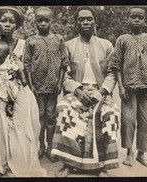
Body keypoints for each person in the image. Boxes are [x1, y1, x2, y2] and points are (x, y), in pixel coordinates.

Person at [0, 6, 46, 177]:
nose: (7, 25)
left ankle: (20, 155)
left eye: (11, 21)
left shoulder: (24, 45)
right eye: (3, 21)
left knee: (23, 111)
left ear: (17, 25)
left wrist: (19, 74)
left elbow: (28, 70)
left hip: (18, 88)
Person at [51, 7, 119, 177]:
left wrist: (101, 92)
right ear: (77, 23)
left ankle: (101, 166)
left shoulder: (106, 45)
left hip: (100, 92)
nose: (85, 22)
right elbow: (65, 76)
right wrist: (78, 91)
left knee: (110, 113)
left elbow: (112, 74)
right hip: (77, 92)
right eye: (81, 19)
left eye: (89, 19)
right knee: (64, 109)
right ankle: (68, 162)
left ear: (94, 21)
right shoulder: (68, 46)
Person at [110, 7, 147, 168]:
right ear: (127, 19)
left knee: (145, 122)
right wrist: (121, 87)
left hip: (146, 87)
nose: (137, 20)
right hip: (128, 87)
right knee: (128, 120)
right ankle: (129, 151)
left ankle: (141, 153)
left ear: (144, 20)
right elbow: (116, 64)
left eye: (140, 17)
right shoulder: (122, 39)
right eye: (133, 17)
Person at [23, 7, 69, 162]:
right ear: (35, 21)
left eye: (46, 20)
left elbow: (64, 63)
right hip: (37, 86)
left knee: (51, 117)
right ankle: (40, 145)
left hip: (53, 86)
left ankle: (51, 146)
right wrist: (31, 85)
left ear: (52, 21)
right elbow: (27, 65)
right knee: (39, 116)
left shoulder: (59, 39)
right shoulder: (31, 41)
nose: (42, 23)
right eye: (39, 20)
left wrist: (60, 83)